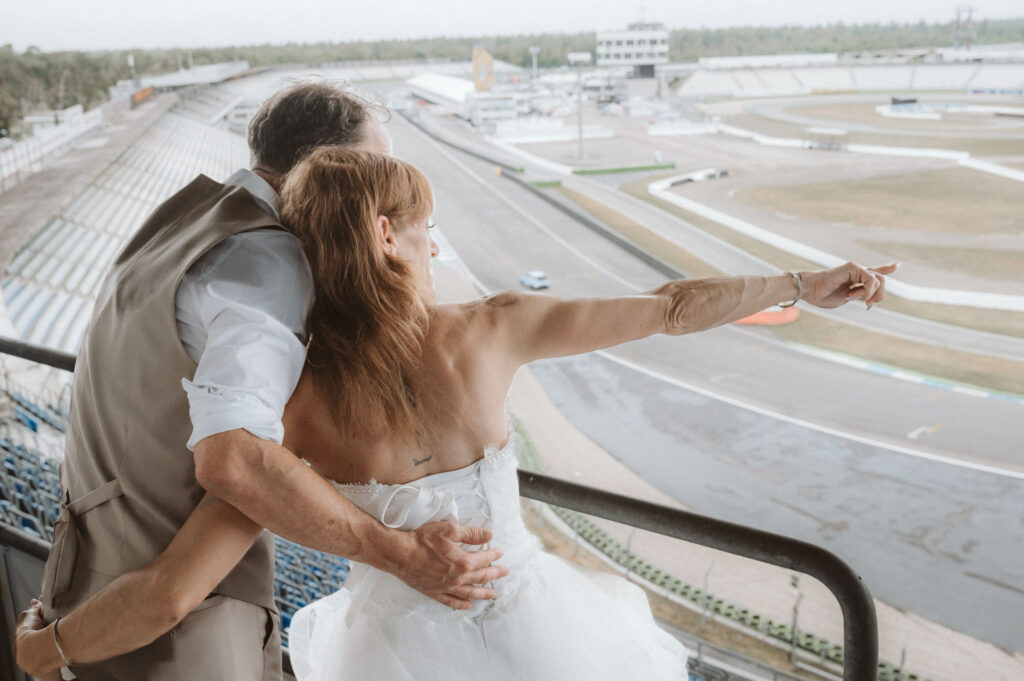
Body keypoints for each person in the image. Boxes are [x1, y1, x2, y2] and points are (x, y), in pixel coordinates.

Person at [20, 146, 896, 679]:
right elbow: (671, 306)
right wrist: (803, 284)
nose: (435, 243)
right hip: (548, 642)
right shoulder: (494, 331)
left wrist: (42, 651)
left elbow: (170, 594)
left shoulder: (286, 420)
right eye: (425, 224)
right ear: (386, 236)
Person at [15, 85, 506, 681]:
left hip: (89, 594)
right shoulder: (269, 263)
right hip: (182, 639)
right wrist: (401, 554)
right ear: (326, 171)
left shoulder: (177, 221)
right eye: (376, 169)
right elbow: (234, 463)